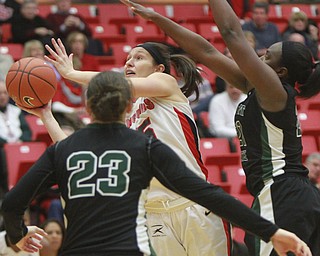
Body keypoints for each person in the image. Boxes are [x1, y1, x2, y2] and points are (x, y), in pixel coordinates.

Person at [1, 71, 312, 256]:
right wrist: (272, 232)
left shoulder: (63, 150)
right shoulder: (144, 147)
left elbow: (13, 203)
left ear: (87, 106)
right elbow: (209, 195)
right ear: (127, 105)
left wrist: (16, 236)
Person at [119, 0, 320, 255]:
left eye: (268, 56)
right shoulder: (257, 88)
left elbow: (231, 33)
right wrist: (156, 17)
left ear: (280, 71)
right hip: (290, 194)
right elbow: (207, 52)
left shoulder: (275, 91)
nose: (260, 55)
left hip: (281, 191)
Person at [44, 37, 233, 255]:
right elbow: (75, 152)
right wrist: (46, 116)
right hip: (154, 216)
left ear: (158, 68)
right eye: (127, 59)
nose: (129, 63)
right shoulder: (123, 118)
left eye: (139, 57)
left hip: (195, 205)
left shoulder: (166, 85)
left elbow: (118, 85)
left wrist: (71, 74)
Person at [0, 78, 32, 197]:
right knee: (4, 154)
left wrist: (21, 141)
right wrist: (7, 144)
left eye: (4, 93)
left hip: (20, 145)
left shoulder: (16, 110)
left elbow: (27, 131)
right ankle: (6, 192)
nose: (2, 96)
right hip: (3, 149)